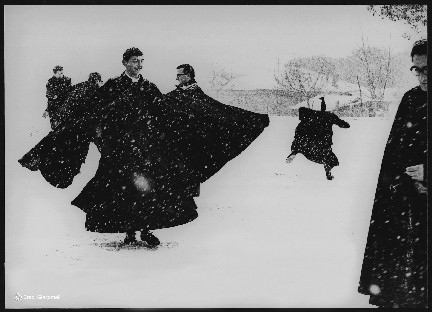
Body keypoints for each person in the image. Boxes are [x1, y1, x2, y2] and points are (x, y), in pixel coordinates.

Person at [358, 39, 427, 308]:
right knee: (402, 279)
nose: (422, 76)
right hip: (407, 202)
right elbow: (395, 150)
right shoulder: (410, 99)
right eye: (417, 69)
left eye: (427, 69)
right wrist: (399, 181)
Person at [286, 97, 350, 180]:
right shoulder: (329, 116)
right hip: (323, 144)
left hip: (308, 146)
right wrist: (345, 124)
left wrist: (295, 149)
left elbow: (298, 134)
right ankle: (328, 170)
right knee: (328, 157)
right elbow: (344, 124)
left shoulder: (307, 117)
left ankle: (294, 153)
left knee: (301, 143)